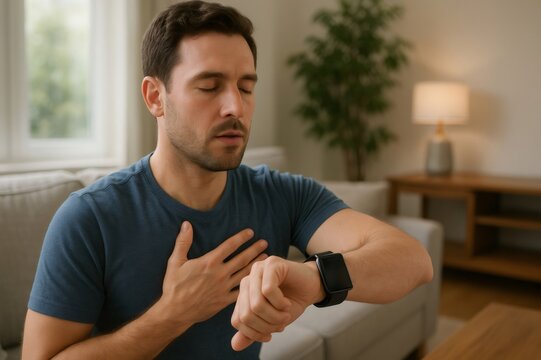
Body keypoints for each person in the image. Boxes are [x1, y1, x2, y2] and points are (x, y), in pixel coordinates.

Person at [22, 1, 433, 359]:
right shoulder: (88, 218)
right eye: (209, 86)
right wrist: (172, 315)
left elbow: (412, 261)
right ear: (154, 97)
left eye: (246, 87)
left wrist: (313, 279)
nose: (235, 106)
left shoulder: (283, 194)